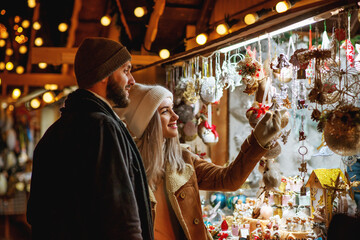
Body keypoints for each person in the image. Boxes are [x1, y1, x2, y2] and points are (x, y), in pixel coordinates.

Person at [116, 83, 283, 239]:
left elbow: (228, 179)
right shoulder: (126, 166)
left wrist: (257, 142)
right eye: (165, 111)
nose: (175, 116)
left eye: (172, 109)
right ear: (146, 120)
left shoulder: (183, 158)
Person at [26, 38, 154, 240]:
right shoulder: (103, 127)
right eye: (126, 70)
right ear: (104, 74)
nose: (132, 80)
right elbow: (121, 214)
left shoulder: (53, 133)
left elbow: (37, 215)